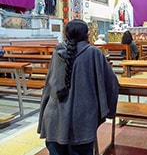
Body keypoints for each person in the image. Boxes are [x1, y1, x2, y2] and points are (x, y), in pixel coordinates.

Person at [37, 19, 119, 155]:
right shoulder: (93, 53)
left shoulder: (57, 52)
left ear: (66, 34)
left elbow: (48, 86)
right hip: (81, 123)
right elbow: (111, 84)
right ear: (87, 35)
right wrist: (107, 111)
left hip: (54, 120)